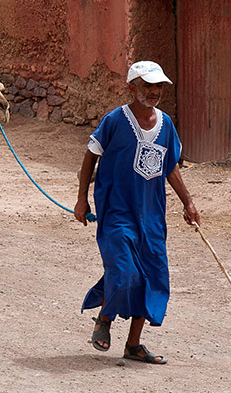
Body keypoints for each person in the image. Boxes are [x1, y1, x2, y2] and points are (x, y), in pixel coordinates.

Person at [74, 61, 200, 365]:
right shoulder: (115, 121)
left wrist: (188, 203)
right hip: (117, 212)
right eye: (148, 86)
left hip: (152, 215)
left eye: (158, 87)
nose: (154, 92)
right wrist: (82, 200)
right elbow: (90, 156)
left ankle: (133, 345)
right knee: (125, 270)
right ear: (133, 88)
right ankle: (104, 317)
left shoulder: (166, 124)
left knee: (153, 276)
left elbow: (170, 167)